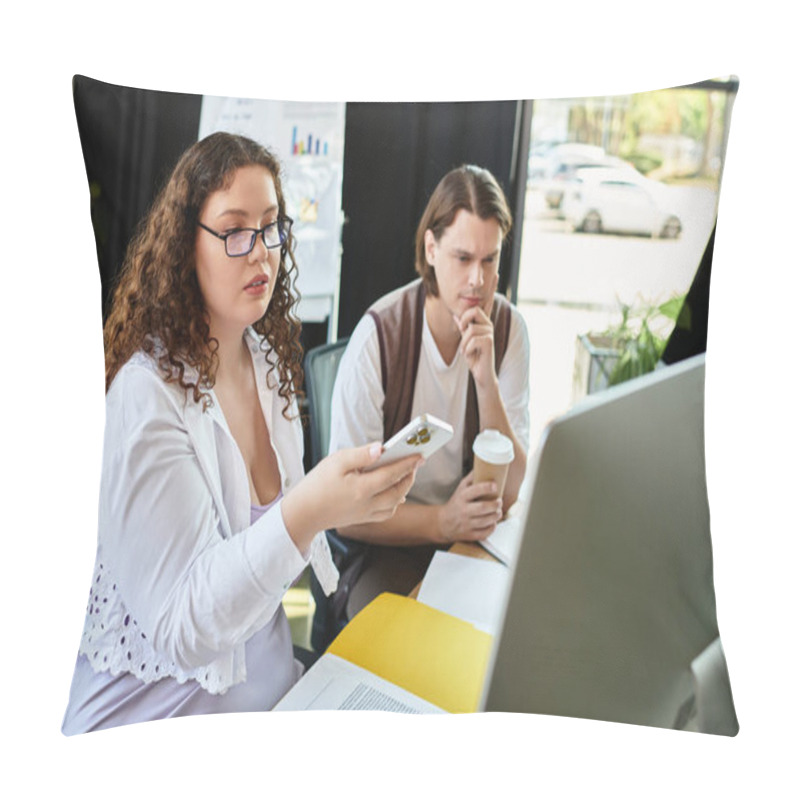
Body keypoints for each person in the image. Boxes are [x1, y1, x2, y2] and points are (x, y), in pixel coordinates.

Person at [61, 132, 420, 734]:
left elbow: (268, 567)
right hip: (150, 717)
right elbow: (182, 628)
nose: (261, 253)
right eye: (234, 231)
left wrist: (352, 501)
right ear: (184, 246)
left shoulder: (265, 360)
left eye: (272, 226)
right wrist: (309, 510)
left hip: (275, 689)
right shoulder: (145, 395)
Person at [328, 164, 530, 620]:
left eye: (490, 259)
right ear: (431, 249)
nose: (478, 280)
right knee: (400, 645)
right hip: (389, 542)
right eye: (463, 258)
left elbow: (513, 489)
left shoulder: (509, 330)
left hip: (472, 540)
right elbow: (343, 511)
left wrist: (486, 381)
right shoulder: (378, 338)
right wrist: (441, 522)